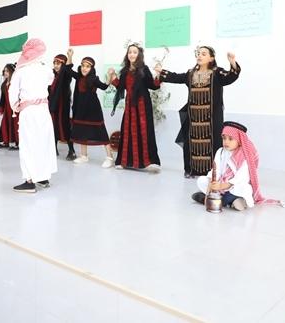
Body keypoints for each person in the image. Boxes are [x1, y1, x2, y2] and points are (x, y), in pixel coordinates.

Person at [156, 46, 240, 178]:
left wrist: (232, 62)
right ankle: (191, 170)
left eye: (204, 54)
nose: (200, 56)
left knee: (214, 143)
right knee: (191, 143)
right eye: (198, 53)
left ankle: (214, 171)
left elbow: (231, 77)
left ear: (211, 58)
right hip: (194, 118)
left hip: (212, 118)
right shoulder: (190, 74)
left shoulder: (217, 73)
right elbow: (177, 77)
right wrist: (161, 72)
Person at [8, 39, 57, 193]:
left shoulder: (20, 71)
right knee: (43, 143)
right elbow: (50, 81)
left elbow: (12, 92)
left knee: (28, 145)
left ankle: (29, 181)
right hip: (43, 110)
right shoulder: (46, 69)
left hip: (29, 111)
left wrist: (16, 107)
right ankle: (42, 177)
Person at [192, 121, 276, 210]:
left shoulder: (245, 156)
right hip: (220, 185)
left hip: (233, 187)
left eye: (230, 139)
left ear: (239, 141)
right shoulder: (220, 151)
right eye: (224, 138)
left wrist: (221, 186)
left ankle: (226, 201)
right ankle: (226, 201)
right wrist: (209, 189)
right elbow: (216, 171)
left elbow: (241, 178)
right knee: (201, 180)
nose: (226, 142)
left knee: (245, 188)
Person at [108, 43, 161, 172]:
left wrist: (159, 74)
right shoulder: (125, 71)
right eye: (130, 52)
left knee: (144, 131)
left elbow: (153, 86)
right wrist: (112, 76)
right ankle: (124, 161)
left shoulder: (144, 69)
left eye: (134, 52)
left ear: (139, 55)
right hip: (130, 106)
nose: (132, 54)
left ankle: (149, 163)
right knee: (127, 131)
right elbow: (121, 86)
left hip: (143, 105)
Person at [65, 49, 114, 168]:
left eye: (87, 66)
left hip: (93, 110)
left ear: (91, 68)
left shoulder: (94, 79)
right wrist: (70, 56)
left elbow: (104, 87)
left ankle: (109, 157)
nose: (84, 68)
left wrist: (109, 76)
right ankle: (84, 155)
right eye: (83, 66)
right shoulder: (78, 77)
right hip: (81, 109)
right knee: (82, 131)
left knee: (101, 132)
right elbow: (68, 70)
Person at [49, 53, 76, 160]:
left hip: (63, 105)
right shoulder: (52, 75)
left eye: (58, 63)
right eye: (54, 63)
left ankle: (71, 151)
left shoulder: (65, 74)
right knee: (53, 126)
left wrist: (70, 56)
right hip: (52, 105)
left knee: (65, 126)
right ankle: (53, 149)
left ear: (63, 64)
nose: (56, 66)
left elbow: (68, 68)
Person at [0, 63, 19, 150]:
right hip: (7, 108)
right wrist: (1, 107)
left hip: (15, 107)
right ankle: (5, 141)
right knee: (5, 124)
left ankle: (17, 143)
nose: (5, 73)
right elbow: (3, 97)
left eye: (7, 71)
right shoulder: (4, 84)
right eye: (4, 71)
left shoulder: (15, 83)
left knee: (15, 125)